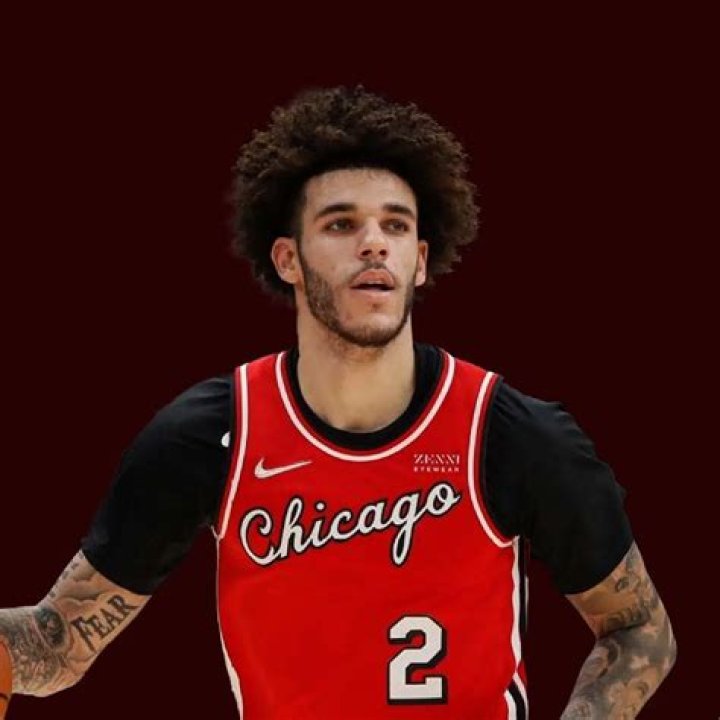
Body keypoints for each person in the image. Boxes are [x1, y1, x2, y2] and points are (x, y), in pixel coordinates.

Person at [0, 85, 676, 719]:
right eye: (341, 223)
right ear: (288, 259)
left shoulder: (509, 433)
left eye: (395, 225)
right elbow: (60, 642)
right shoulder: (210, 437)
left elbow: (640, 630)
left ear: (419, 260)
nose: (373, 242)